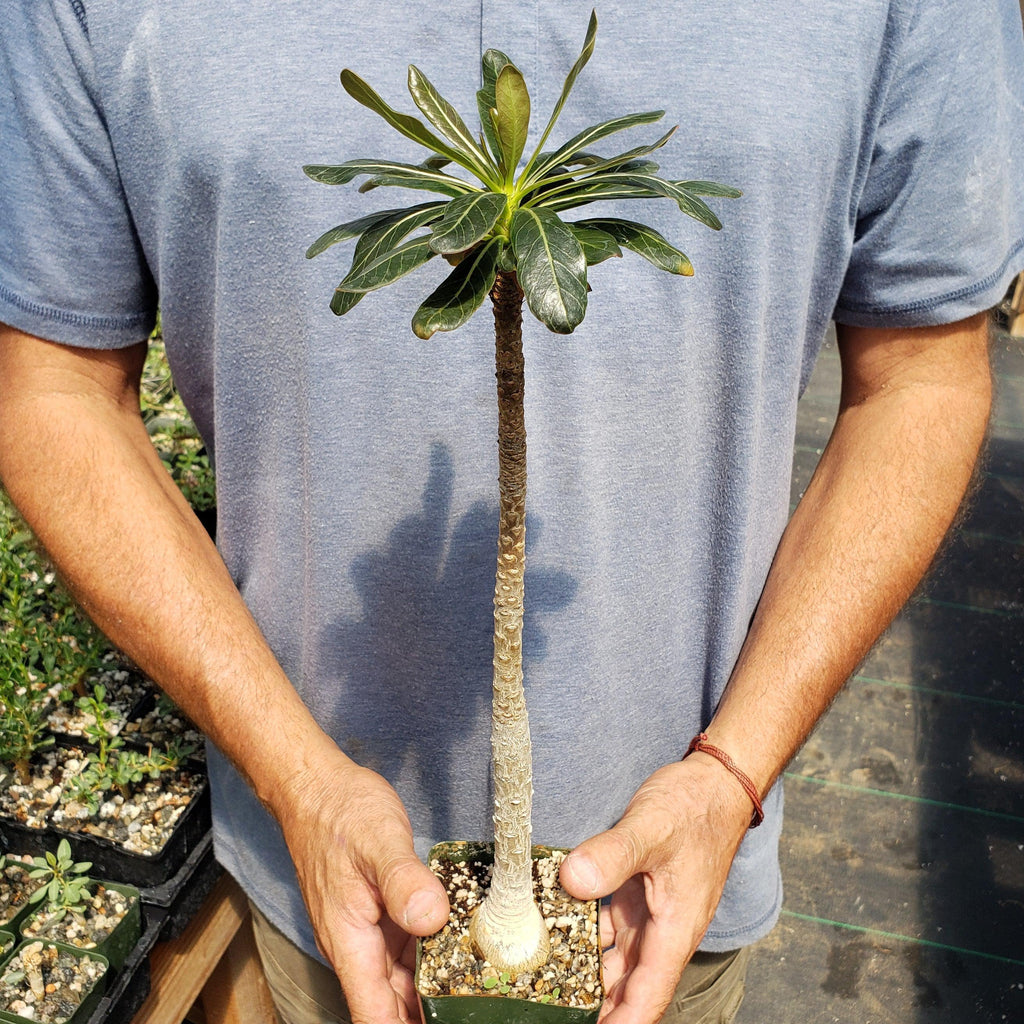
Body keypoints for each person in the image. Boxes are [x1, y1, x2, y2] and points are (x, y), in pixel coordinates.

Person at [1, 3, 1022, 1023]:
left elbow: (921, 376)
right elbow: (52, 391)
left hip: (682, 897)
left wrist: (728, 775)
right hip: (312, 885)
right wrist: (299, 784)